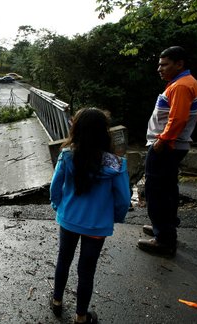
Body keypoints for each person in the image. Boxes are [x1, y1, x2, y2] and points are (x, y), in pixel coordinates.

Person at [49, 108, 131, 324]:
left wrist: (58, 206)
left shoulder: (67, 155)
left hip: (68, 220)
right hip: (97, 226)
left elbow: (55, 187)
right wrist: (114, 217)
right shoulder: (116, 163)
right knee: (86, 270)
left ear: (76, 129)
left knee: (63, 260)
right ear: (104, 133)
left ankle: (57, 303)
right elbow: (123, 199)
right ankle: (81, 317)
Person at [138, 46, 197, 256]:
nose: (159, 68)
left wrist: (163, 140)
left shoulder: (182, 86)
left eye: (164, 64)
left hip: (166, 146)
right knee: (167, 188)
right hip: (174, 145)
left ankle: (164, 238)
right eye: (159, 64)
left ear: (179, 64)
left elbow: (179, 118)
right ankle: (165, 227)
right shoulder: (182, 83)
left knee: (156, 191)